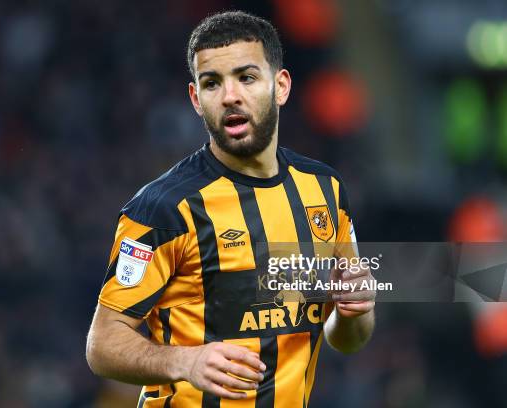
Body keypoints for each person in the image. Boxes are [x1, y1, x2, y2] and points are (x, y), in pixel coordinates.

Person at [86, 10, 376, 407]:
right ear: (196, 99)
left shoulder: (325, 191)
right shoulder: (163, 208)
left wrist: (351, 313)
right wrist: (185, 361)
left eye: (246, 77)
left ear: (281, 86)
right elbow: (102, 344)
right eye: (212, 83)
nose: (230, 96)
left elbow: (348, 338)